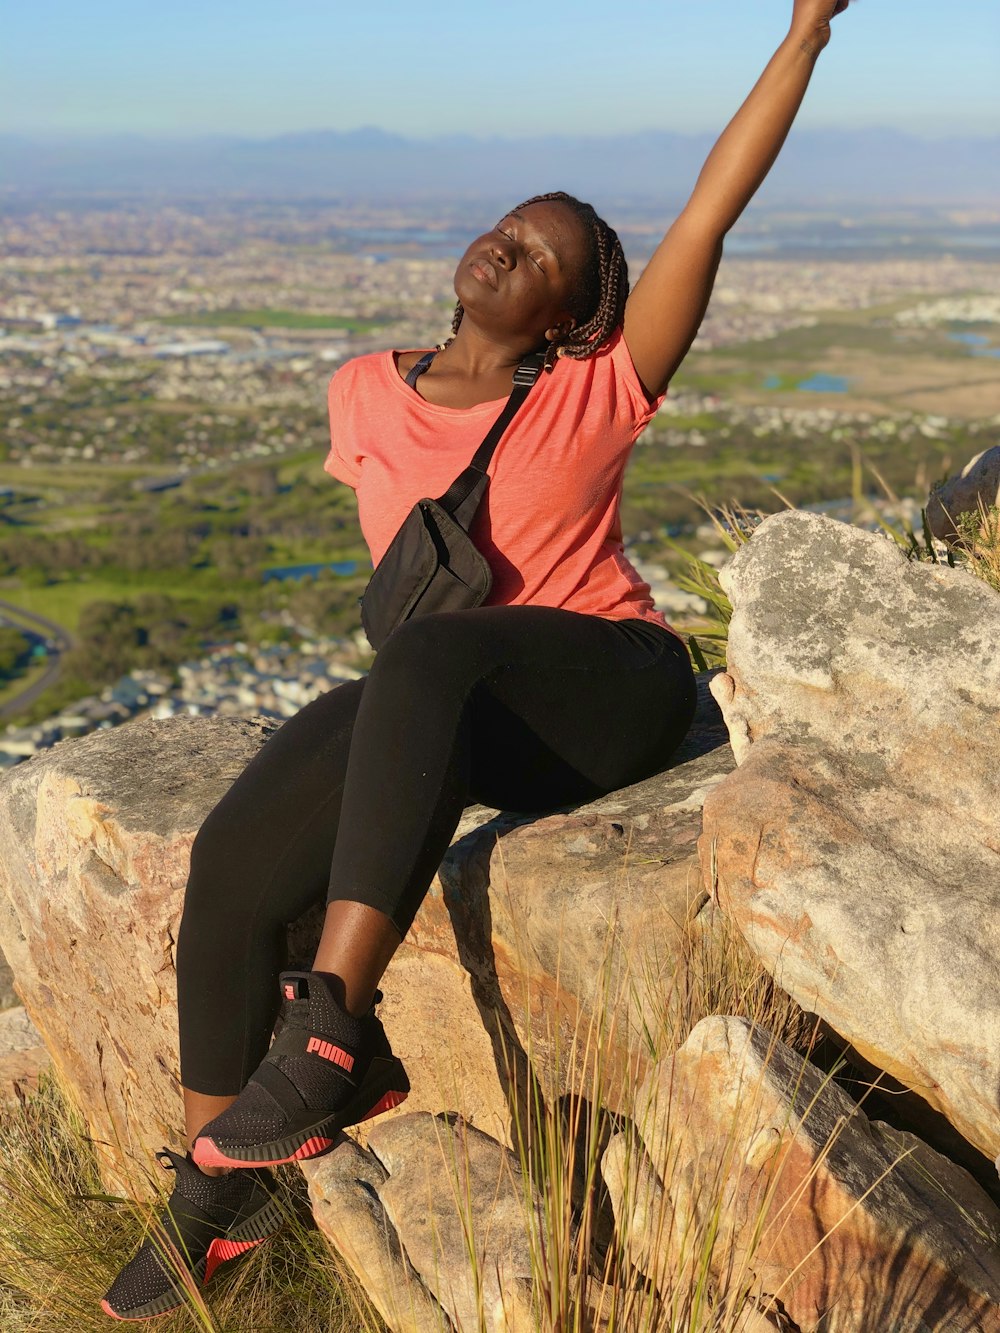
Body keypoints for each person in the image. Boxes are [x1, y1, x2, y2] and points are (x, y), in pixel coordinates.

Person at [102, 0, 849, 1319]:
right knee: (230, 867)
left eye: (543, 256)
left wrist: (803, 29)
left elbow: (707, 212)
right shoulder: (359, 390)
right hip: (449, 696)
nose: (508, 246)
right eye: (509, 226)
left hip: (608, 691)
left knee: (428, 660)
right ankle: (220, 1205)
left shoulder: (595, 388)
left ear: (574, 315)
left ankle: (329, 1030)